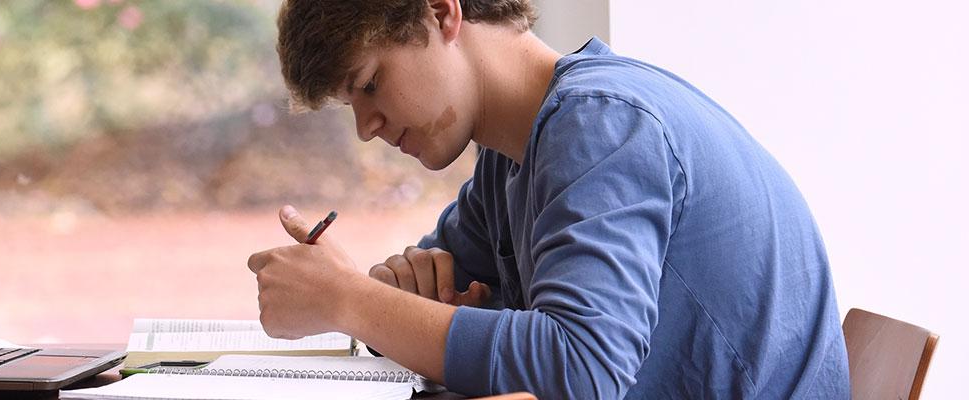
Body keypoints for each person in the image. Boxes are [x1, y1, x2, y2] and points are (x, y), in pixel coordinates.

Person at [245, 0, 851, 398]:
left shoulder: (601, 125)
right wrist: (383, 299)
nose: (366, 127)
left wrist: (349, 299)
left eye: (370, 84)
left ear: (440, 13)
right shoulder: (510, 159)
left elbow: (581, 370)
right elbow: (428, 295)